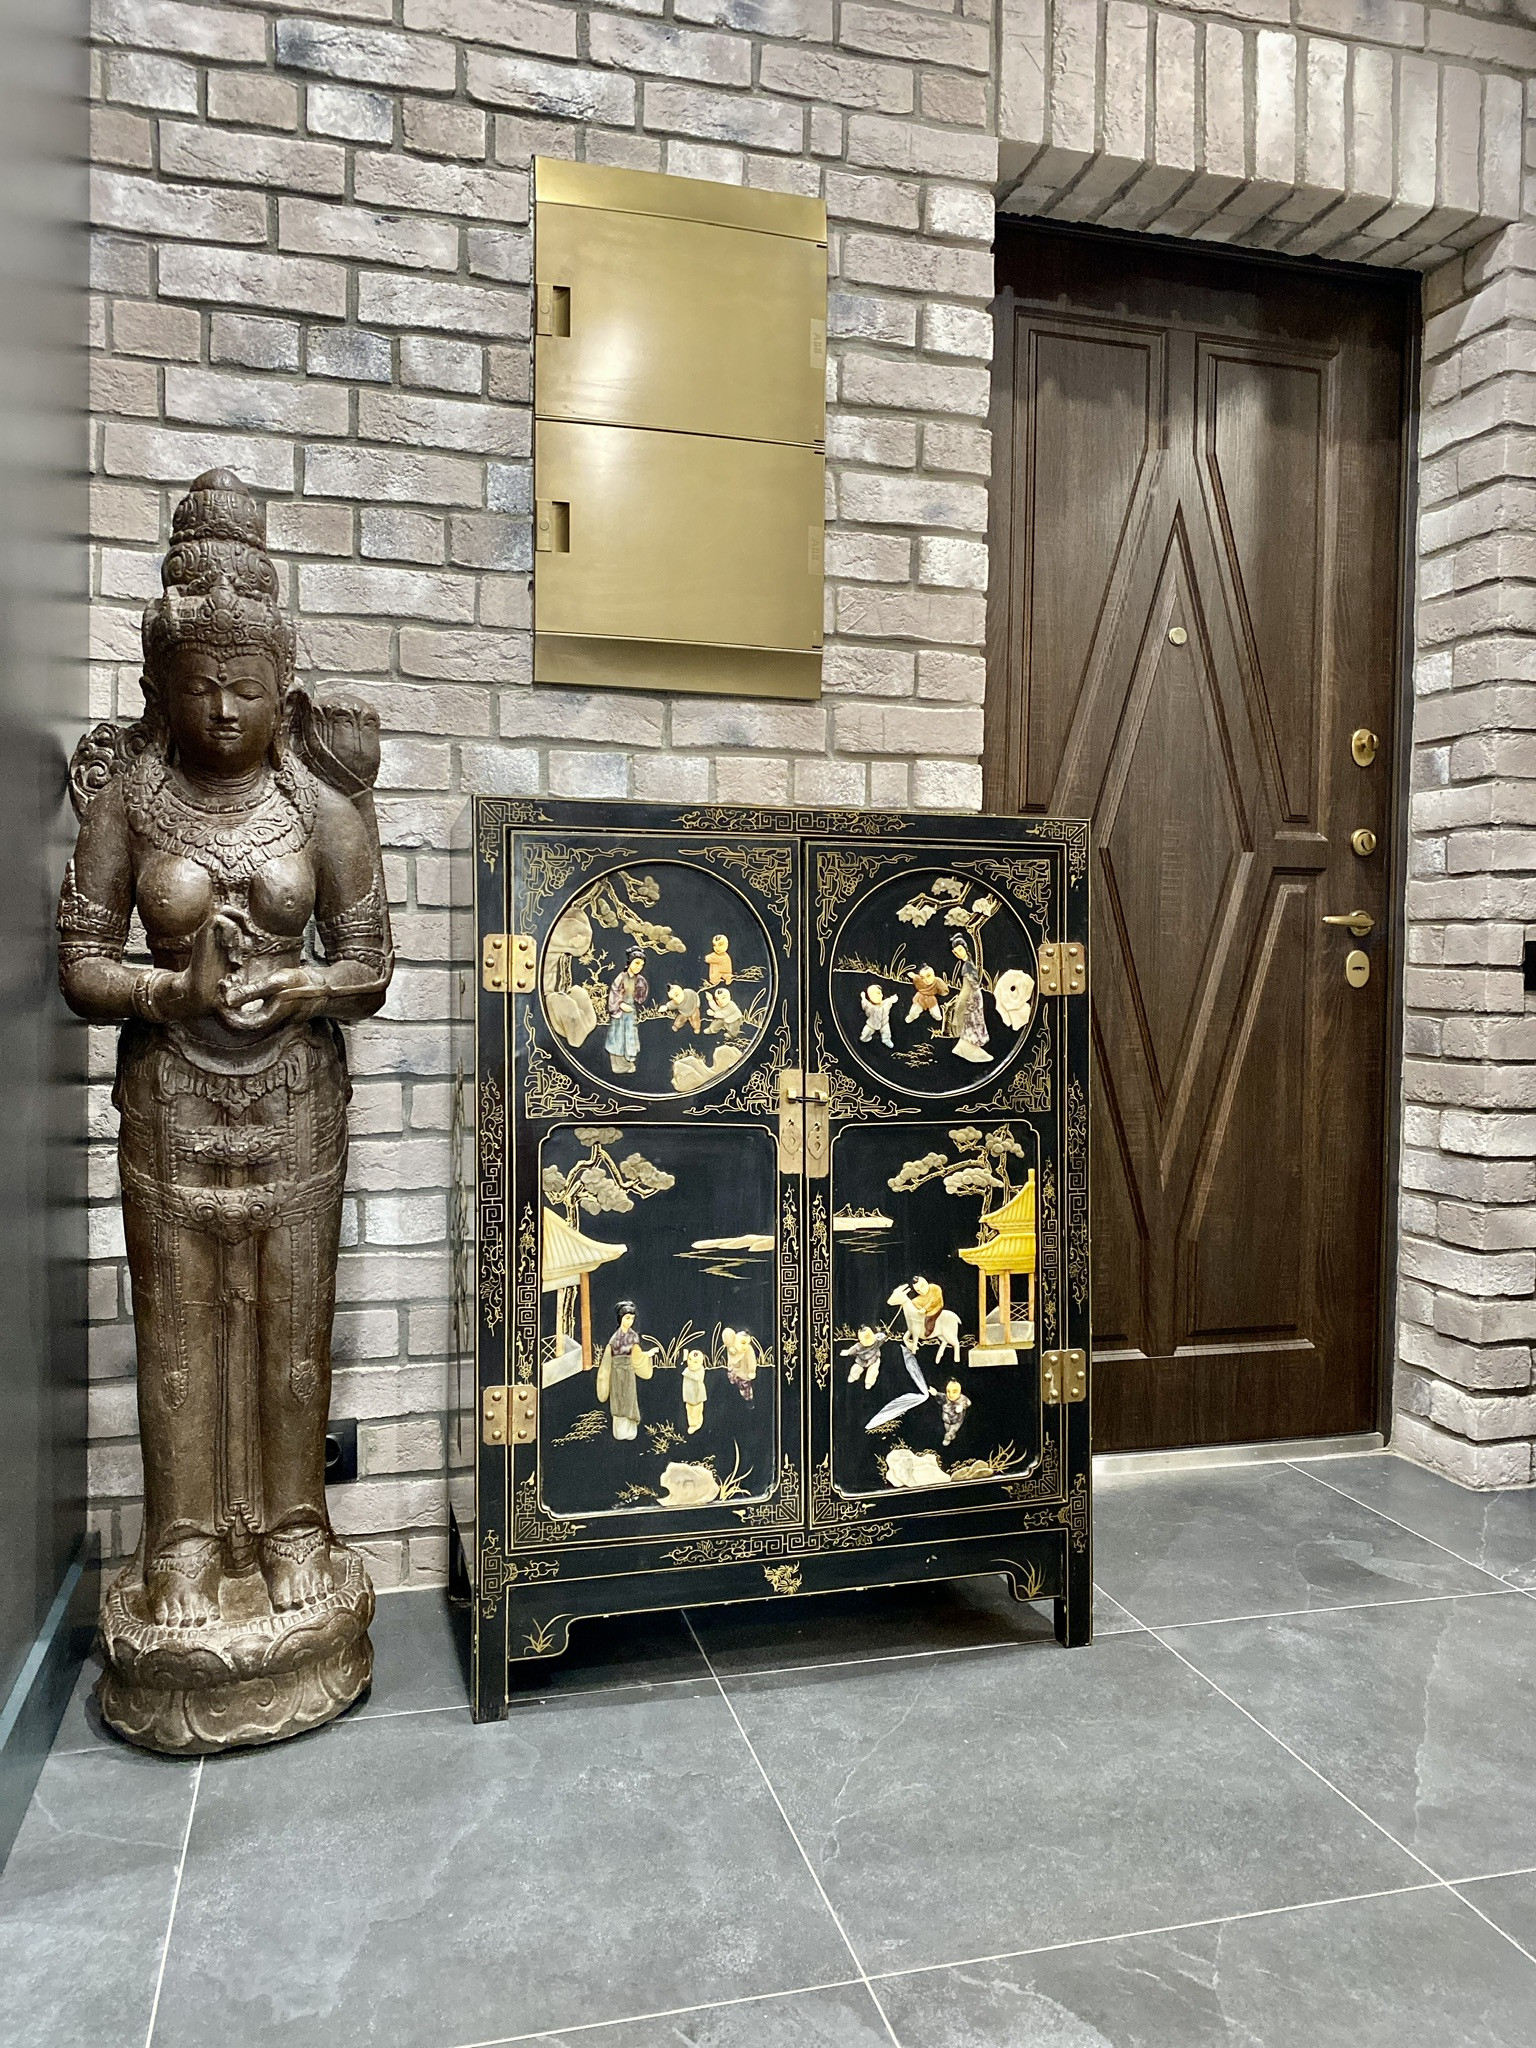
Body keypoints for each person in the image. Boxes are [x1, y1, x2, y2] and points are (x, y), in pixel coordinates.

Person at [56, 469, 392, 1631]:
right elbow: (80, 960)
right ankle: (185, 1542)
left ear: (279, 686)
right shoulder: (129, 801)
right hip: (170, 1095)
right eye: (198, 685)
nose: (223, 709)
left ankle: (296, 1525)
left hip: (296, 1094)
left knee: (293, 1336)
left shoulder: (323, 808)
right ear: (160, 685)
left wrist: (307, 984)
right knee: (178, 1338)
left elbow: (371, 963)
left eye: (245, 687)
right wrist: (166, 988)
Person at [595, 1300, 654, 1441]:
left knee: (629, 1399)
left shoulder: (633, 1336)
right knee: (618, 1400)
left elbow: (636, 1356)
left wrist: (647, 1355)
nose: (630, 1321)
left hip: (628, 1371)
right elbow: (607, 1359)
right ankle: (619, 1432)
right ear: (620, 1318)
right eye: (627, 1318)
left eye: (632, 1318)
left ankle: (630, 1432)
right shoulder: (614, 1339)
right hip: (616, 1372)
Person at [948, 939, 991, 1063]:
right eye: (955, 952)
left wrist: (961, 1001)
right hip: (974, 996)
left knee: (972, 1021)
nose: (958, 954)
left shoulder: (967, 965)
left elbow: (968, 987)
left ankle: (969, 1049)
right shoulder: (968, 964)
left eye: (960, 950)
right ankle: (964, 1048)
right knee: (971, 1022)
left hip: (972, 997)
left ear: (965, 948)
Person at [605, 950, 647, 1073]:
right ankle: (617, 1065)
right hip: (620, 1012)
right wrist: (621, 1004)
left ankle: (629, 1062)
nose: (639, 967)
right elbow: (614, 992)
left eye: (641, 965)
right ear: (629, 962)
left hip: (630, 1011)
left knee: (630, 1035)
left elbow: (641, 996)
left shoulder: (639, 980)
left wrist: (639, 993)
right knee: (618, 1036)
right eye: (636, 963)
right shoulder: (621, 978)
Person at [721, 1325, 760, 1400]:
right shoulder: (732, 1347)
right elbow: (727, 1332)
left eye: (747, 1343)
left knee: (745, 1390)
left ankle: (748, 1399)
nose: (745, 1346)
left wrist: (751, 1371)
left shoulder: (748, 1350)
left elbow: (751, 1361)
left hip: (743, 1375)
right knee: (731, 1391)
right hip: (732, 1374)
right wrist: (730, 1345)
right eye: (743, 1343)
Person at [840, 1325, 884, 1390]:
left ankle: (869, 1382)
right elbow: (853, 1349)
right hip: (862, 1360)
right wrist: (847, 1352)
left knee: (873, 1371)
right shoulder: (859, 1346)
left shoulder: (877, 1341)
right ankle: (853, 1376)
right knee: (856, 1368)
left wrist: (881, 1335)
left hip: (874, 1359)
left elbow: (883, 1337)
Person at [860, 983, 897, 1048]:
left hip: (884, 1023)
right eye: (876, 993)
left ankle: (886, 1040)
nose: (880, 995)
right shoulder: (869, 1006)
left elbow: (890, 1000)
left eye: (880, 993)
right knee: (866, 1032)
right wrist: (863, 997)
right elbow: (864, 1004)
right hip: (872, 1024)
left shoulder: (885, 1003)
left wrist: (893, 998)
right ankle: (864, 1038)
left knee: (886, 1033)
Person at [681, 1346, 708, 1433]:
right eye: (690, 1359)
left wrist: (687, 1372)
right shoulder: (687, 1369)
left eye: (695, 1362)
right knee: (689, 1410)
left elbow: (696, 1377)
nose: (691, 1363)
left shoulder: (700, 1370)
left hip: (697, 1397)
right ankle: (692, 1424)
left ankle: (696, 1424)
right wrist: (685, 1358)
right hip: (689, 1396)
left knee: (696, 1411)